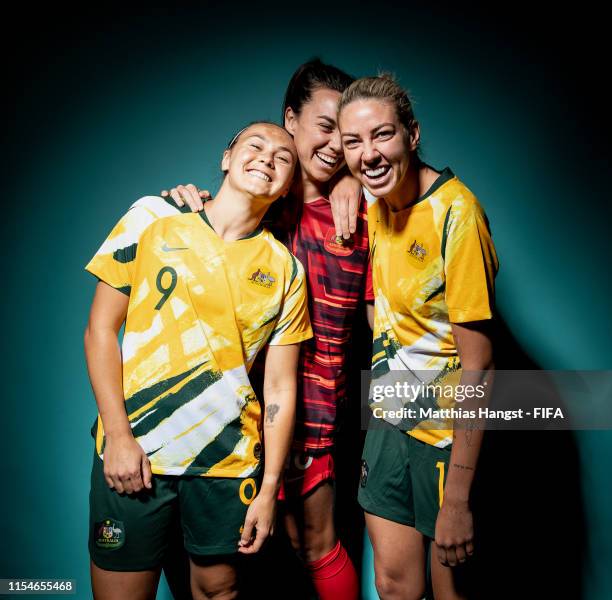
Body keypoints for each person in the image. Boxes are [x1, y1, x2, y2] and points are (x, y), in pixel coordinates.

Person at [164, 59, 372, 600]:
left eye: (345, 136)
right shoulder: (252, 196)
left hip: (311, 412)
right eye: (325, 127)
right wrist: (184, 199)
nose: (334, 146)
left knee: (314, 547)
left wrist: (353, 178)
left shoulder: (362, 215)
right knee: (221, 557)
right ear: (290, 119)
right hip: (220, 417)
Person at [84, 121, 313, 600]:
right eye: (255, 146)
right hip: (138, 451)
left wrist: (269, 488)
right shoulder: (153, 216)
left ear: (288, 184)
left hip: (226, 463)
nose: (267, 159)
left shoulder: (285, 269)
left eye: (282, 158)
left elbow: (279, 389)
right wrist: (120, 437)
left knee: (218, 591)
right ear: (226, 158)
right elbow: (101, 330)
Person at [337, 75, 498, 600]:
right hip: (388, 422)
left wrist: (457, 497)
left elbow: (481, 365)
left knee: (451, 592)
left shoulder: (457, 212)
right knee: (393, 585)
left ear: (412, 133)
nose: (369, 155)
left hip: (447, 439)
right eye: (353, 143)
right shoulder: (373, 201)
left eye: (382, 135)